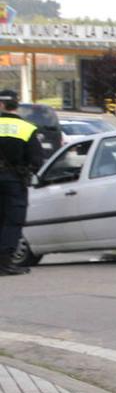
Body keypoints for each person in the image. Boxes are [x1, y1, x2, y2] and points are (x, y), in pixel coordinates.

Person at [0, 90, 42, 276]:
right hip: (14, 181)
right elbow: (37, 161)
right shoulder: (27, 128)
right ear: (16, 105)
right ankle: (5, 263)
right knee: (13, 221)